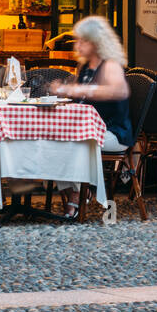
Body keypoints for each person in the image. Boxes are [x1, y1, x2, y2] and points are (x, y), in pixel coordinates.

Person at [48, 16, 133, 219]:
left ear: (95, 42)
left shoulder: (110, 65)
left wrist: (77, 89)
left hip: (113, 133)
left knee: (73, 144)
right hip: (88, 130)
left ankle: (77, 194)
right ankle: (74, 191)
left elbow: (118, 90)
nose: (77, 45)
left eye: (82, 41)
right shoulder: (85, 67)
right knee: (51, 142)